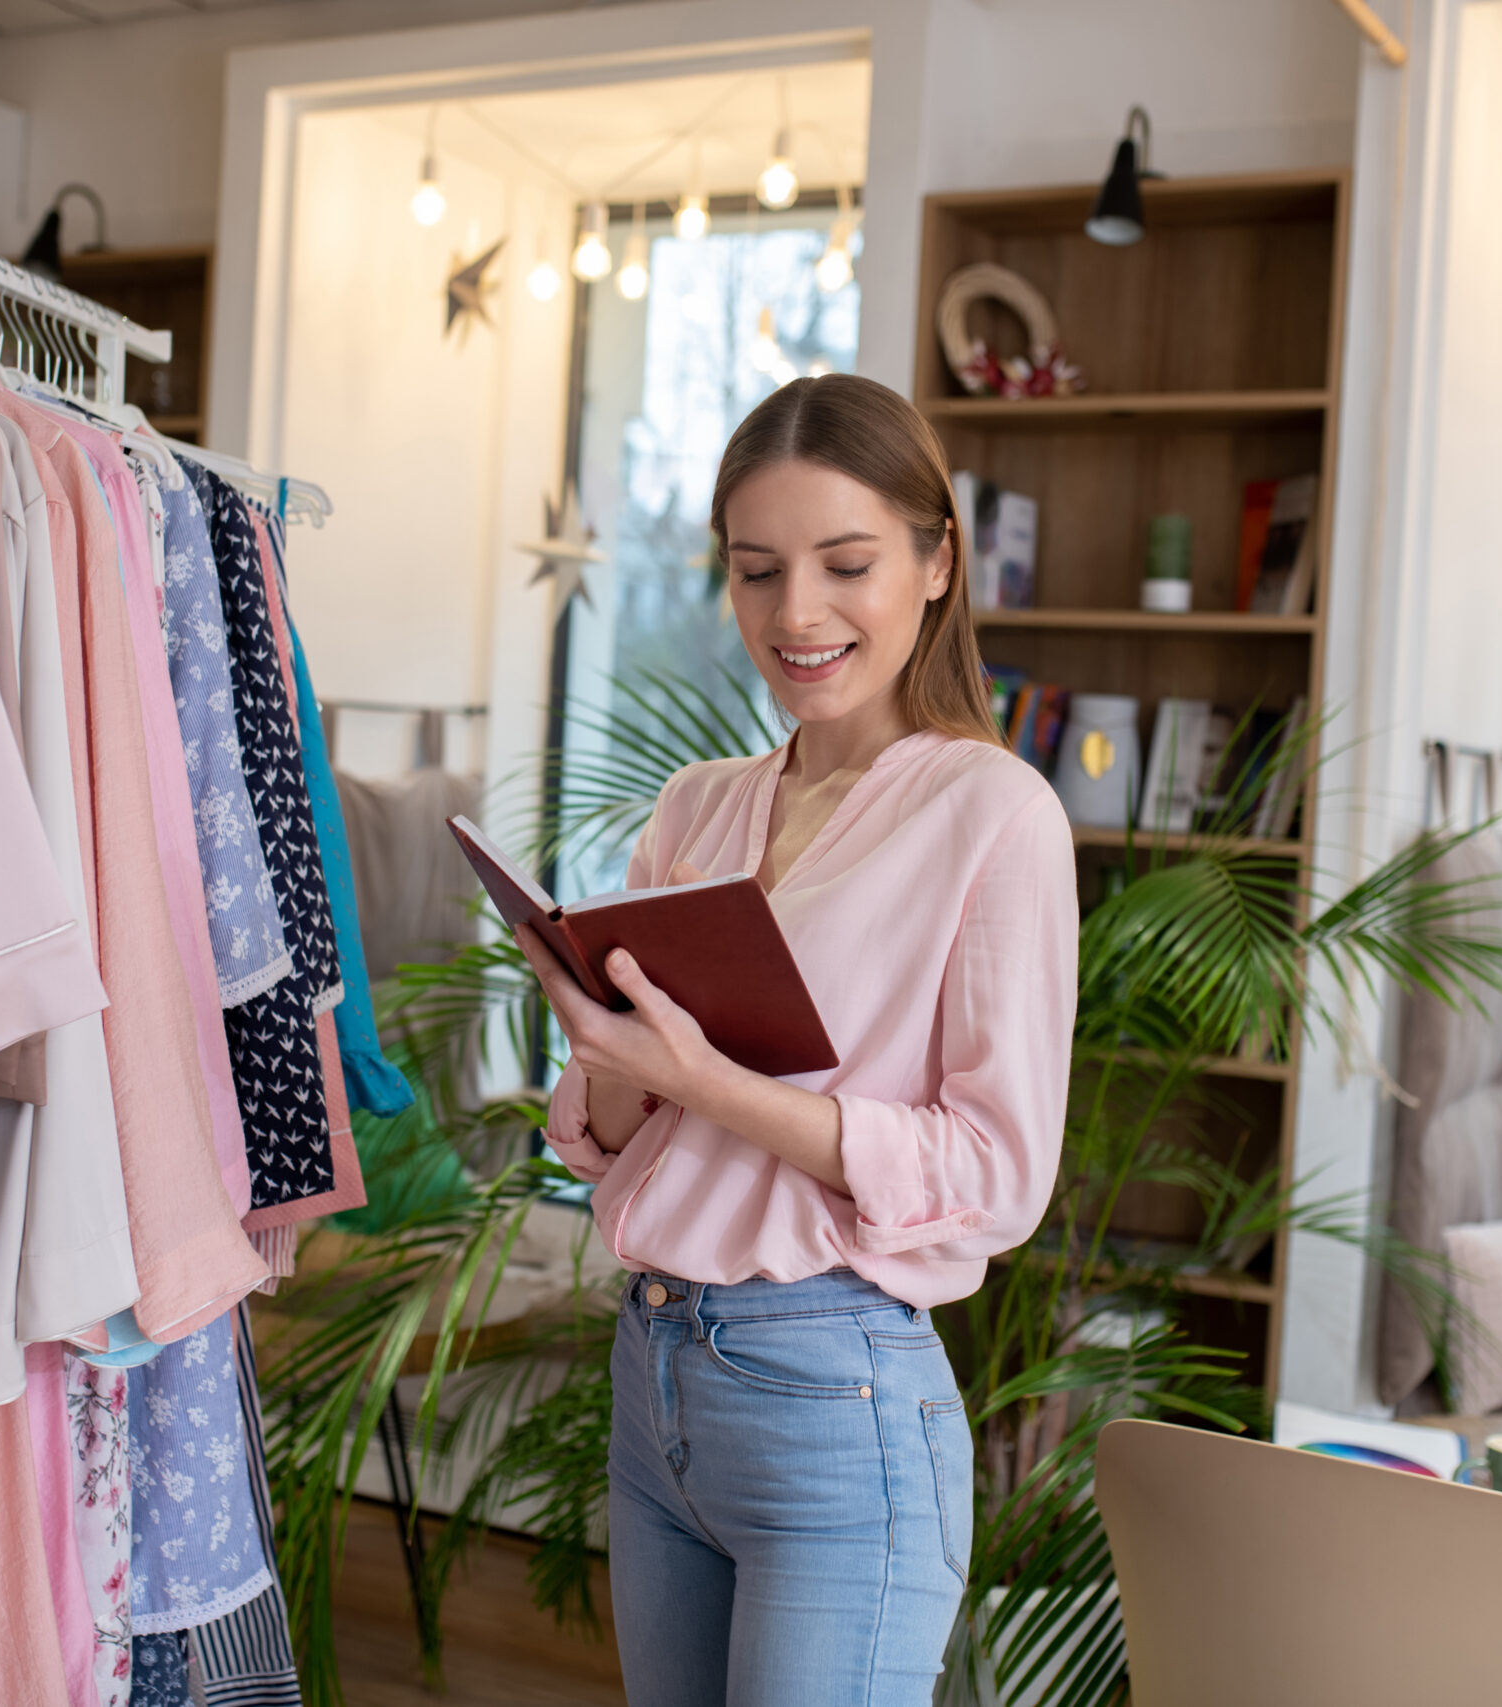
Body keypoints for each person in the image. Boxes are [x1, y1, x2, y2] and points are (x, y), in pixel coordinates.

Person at [514, 373, 1078, 1707]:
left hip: (839, 1397)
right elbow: (606, 1142)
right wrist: (602, 1049)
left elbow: (997, 1171)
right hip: (654, 1378)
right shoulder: (700, 806)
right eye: (757, 571)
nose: (796, 614)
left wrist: (706, 1081)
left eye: (846, 564)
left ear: (938, 561)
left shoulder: (994, 814)